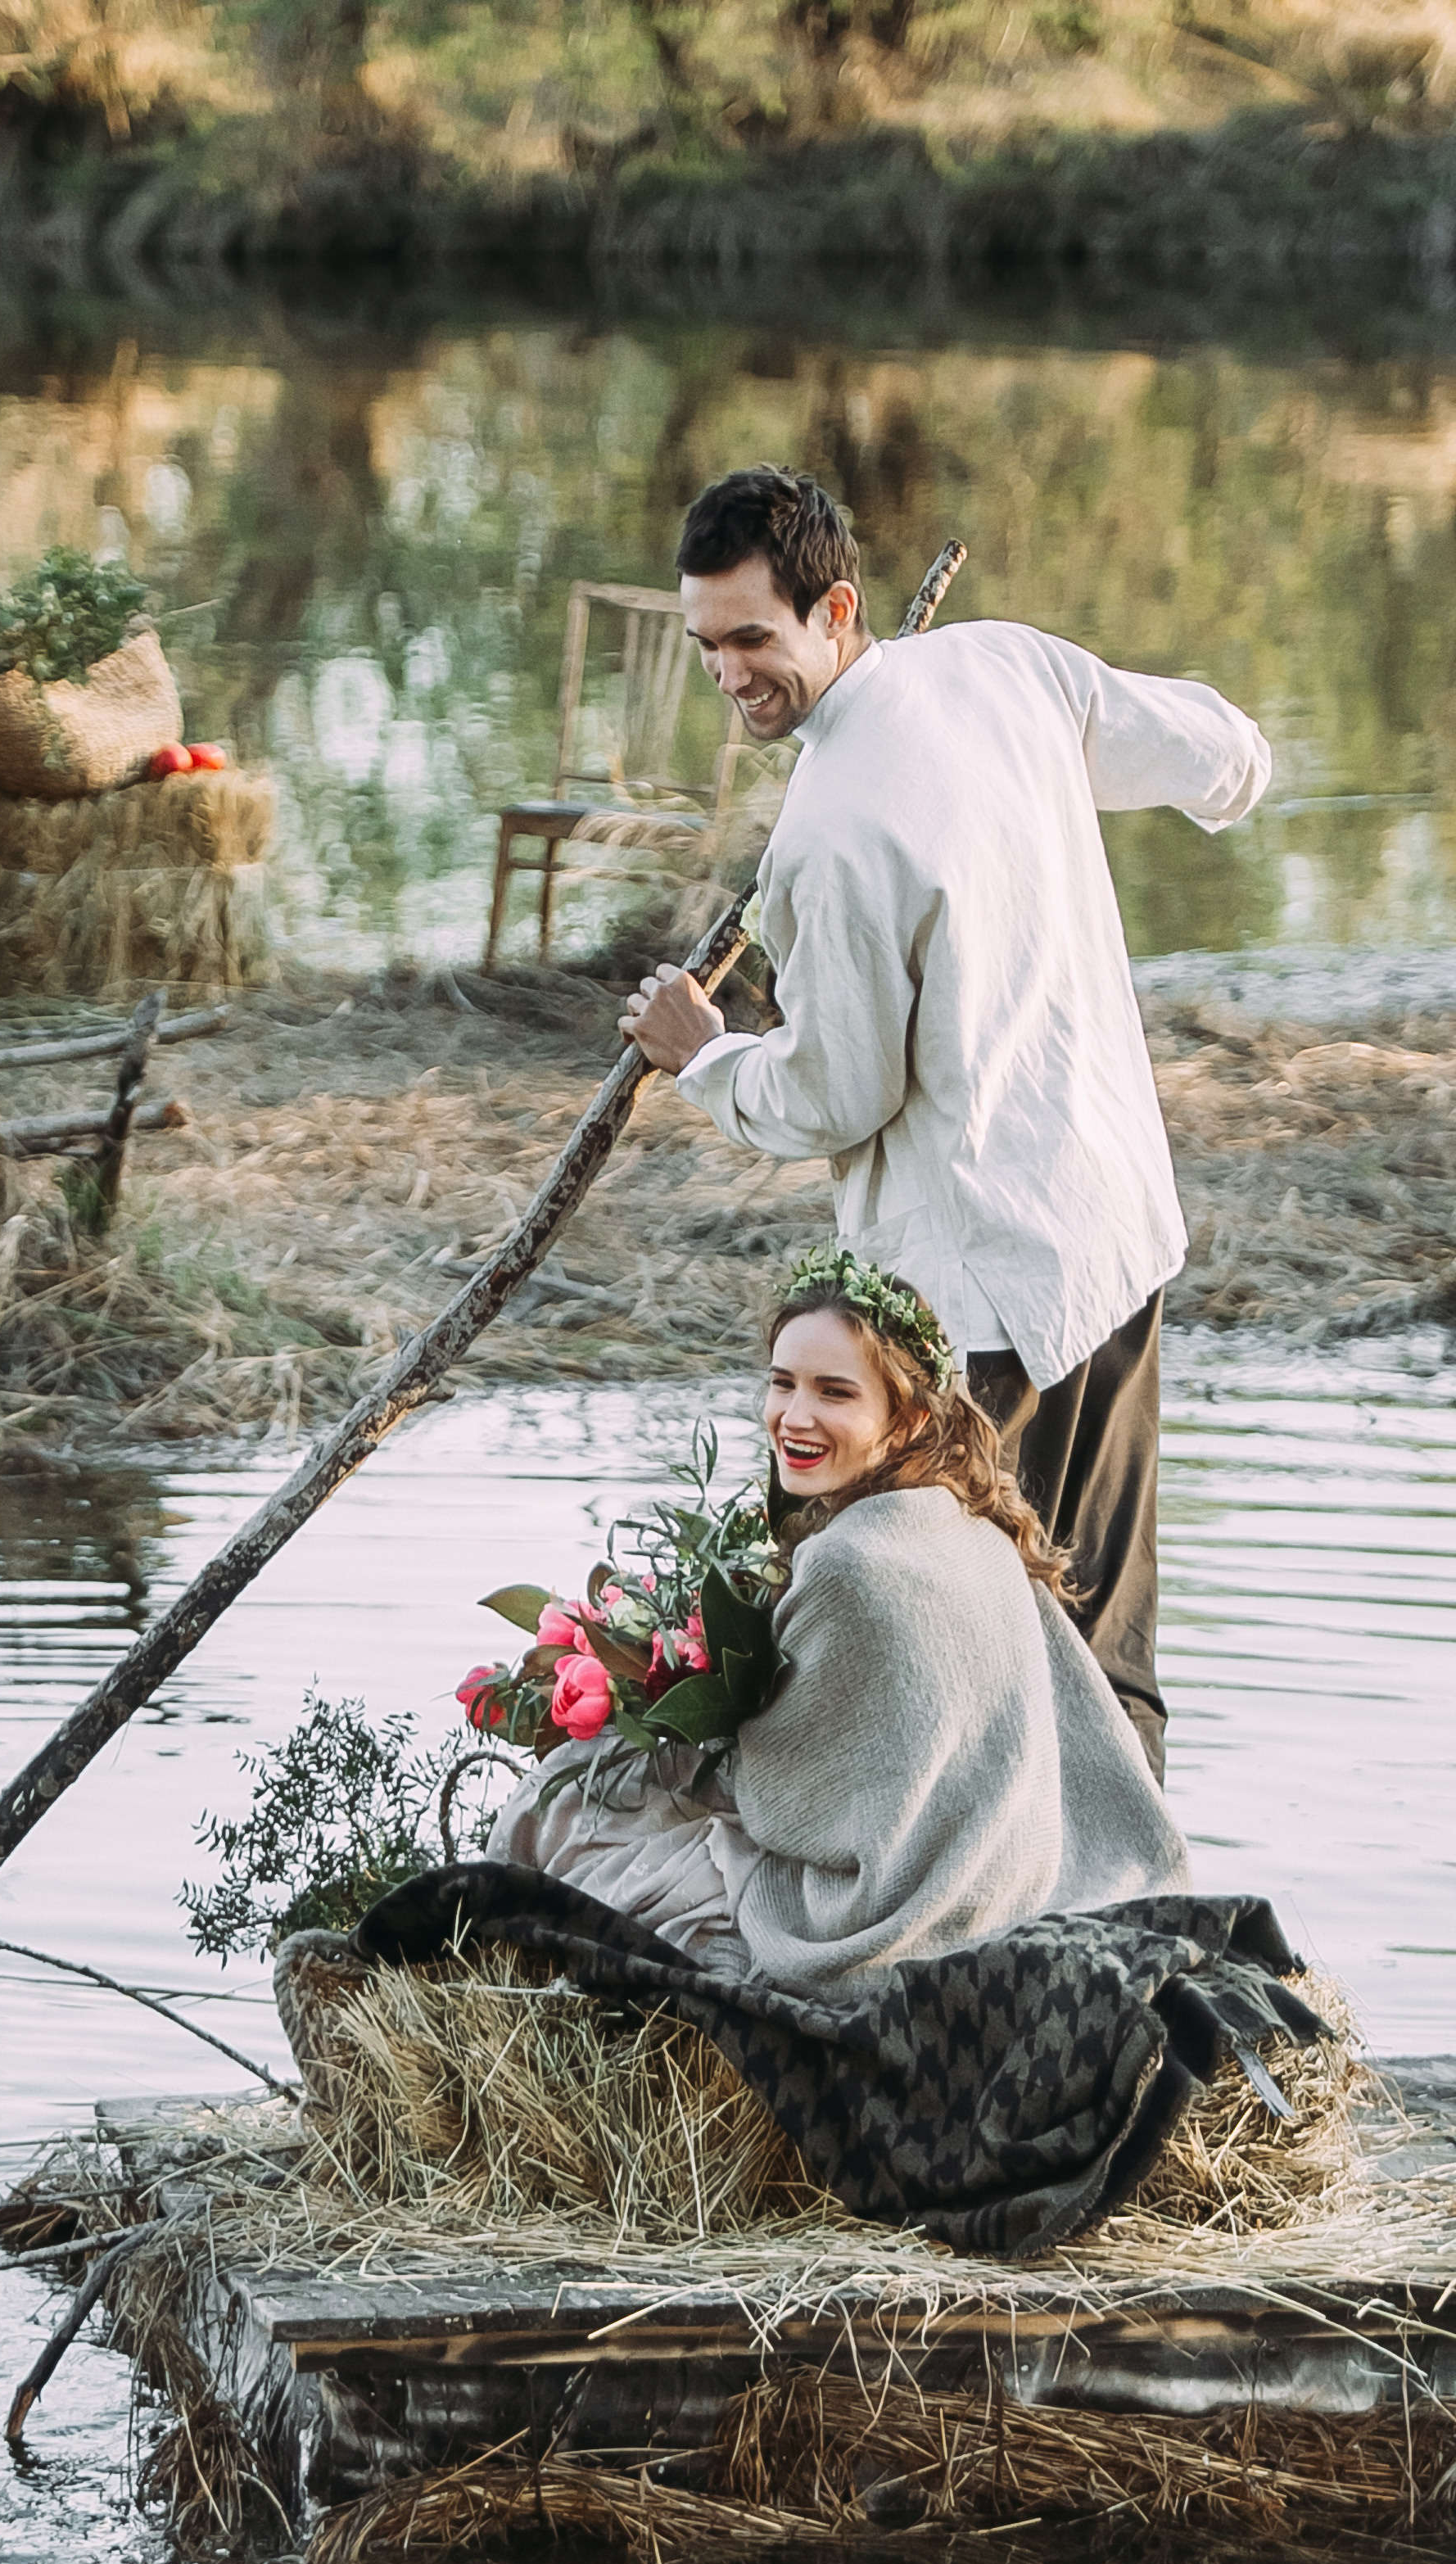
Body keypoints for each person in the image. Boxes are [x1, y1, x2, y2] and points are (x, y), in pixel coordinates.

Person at [619, 467, 1274, 1782]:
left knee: (949, 1674)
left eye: (754, 638)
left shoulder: (830, 830)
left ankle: (955, 1948)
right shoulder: (1007, 670)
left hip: (974, 1308)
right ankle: (1140, 1928)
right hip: (1110, 1235)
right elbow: (1228, 757)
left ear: (837, 607)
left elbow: (834, 1095)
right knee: (1101, 1648)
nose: (730, 674)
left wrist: (706, 1057)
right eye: (707, 645)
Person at [486, 1248, 1190, 2001]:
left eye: (835, 1393)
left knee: (560, 1810)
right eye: (782, 1384)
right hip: (1004, 1891)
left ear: (909, 1415)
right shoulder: (974, 1528)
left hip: (886, 1929)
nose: (795, 1417)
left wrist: (677, 1740)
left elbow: (782, 1803)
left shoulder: (848, 1560)